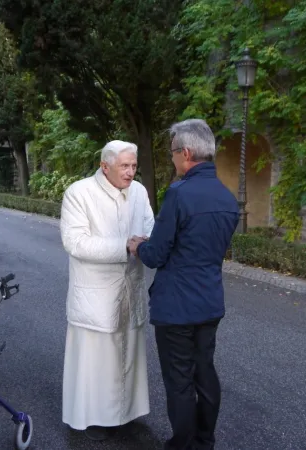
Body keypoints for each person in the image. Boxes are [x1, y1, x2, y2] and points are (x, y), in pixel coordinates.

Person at [129, 119, 239, 450]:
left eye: (173, 153)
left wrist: (138, 245)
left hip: (176, 306)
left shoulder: (179, 194)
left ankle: (182, 444)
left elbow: (156, 255)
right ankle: (204, 442)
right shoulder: (227, 197)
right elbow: (202, 244)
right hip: (209, 302)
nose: (172, 160)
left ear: (186, 153)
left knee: (179, 380)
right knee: (205, 373)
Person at [60, 140, 154, 441]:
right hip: (95, 293)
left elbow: (150, 227)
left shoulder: (138, 191)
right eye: (124, 166)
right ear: (105, 166)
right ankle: (94, 418)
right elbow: (75, 242)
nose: (130, 173)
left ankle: (125, 414)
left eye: (133, 166)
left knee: (127, 353)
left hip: (130, 286)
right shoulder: (79, 192)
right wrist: (123, 246)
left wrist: (148, 244)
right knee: (97, 359)